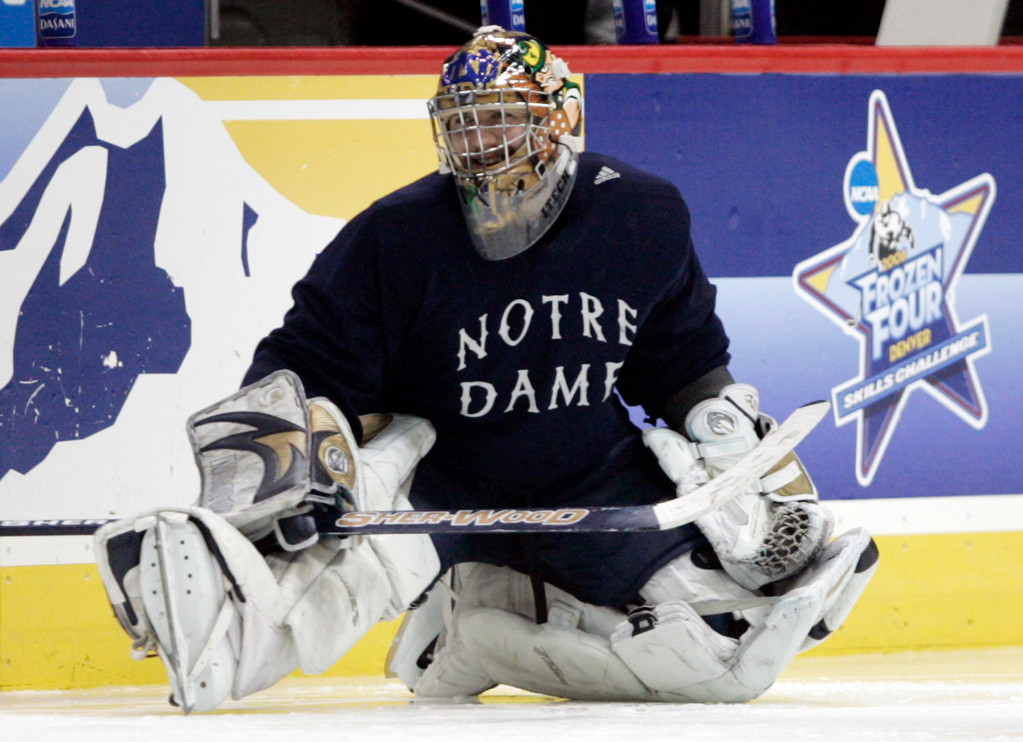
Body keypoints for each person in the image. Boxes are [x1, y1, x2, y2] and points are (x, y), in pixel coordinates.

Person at [94, 26, 877, 713]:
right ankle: (219, 618)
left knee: (717, 651)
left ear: (560, 117)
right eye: (464, 123)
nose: (482, 141)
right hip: (440, 489)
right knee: (297, 599)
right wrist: (300, 472)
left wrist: (724, 431)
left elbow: (680, 362)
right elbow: (306, 366)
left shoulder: (640, 214)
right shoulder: (396, 236)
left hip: (592, 481)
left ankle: (478, 630)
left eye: (503, 117)